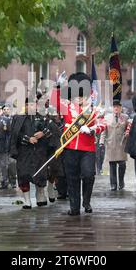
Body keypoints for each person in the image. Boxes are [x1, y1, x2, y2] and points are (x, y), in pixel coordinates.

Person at [49, 72, 106, 215]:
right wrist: (58, 85)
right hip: (69, 148)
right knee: (72, 177)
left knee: (88, 175)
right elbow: (54, 101)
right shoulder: (67, 108)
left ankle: (86, 202)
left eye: (82, 95)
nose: (79, 98)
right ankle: (74, 207)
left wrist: (92, 128)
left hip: (88, 148)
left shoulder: (93, 110)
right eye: (77, 95)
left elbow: (104, 123)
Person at [10, 97, 58, 209]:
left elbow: (55, 130)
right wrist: (27, 139)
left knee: (40, 174)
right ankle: (27, 200)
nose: (30, 107)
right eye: (28, 105)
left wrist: (43, 133)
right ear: (25, 106)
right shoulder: (18, 119)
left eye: (33, 104)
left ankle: (40, 194)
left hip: (40, 152)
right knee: (24, 175)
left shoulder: (43, 118)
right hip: (24, 153)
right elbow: (15, 135)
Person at [100, 100, 129, 191]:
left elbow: (128, 129)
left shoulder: (125, 117)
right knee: (112, 165)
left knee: (122, 164)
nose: (116, 108)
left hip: (121, 144)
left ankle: (121, 182)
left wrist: (127, 135)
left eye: (118, 107)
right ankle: (113, 184)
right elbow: (103, 131)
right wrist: (101, 142)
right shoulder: (107, 117)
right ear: (112, 108)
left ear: (121, 108)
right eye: (114, 107)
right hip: (111, 144)